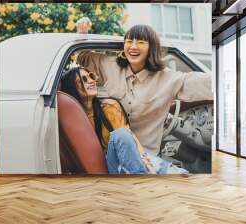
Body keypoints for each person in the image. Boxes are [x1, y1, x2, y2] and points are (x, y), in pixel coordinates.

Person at [76, 18, 213, 154]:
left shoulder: (169, 79)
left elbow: (205, 83)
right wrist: (82, 33)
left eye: (140, 42)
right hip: (113, 154)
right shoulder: (110, 65)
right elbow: (83, 56)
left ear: (151, 48)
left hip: (146, 158)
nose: (133, 46)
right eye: (129, 42)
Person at [60, 66, 188, 174]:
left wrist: (144, 158)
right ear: (72, 87)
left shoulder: (108, 106)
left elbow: (128, 136)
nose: (91, 81)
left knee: (123, 136)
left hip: (126, 160)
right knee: (120, 135)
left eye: (91, 76)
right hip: (110, 166)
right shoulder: (74, 118)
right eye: (83, 79)